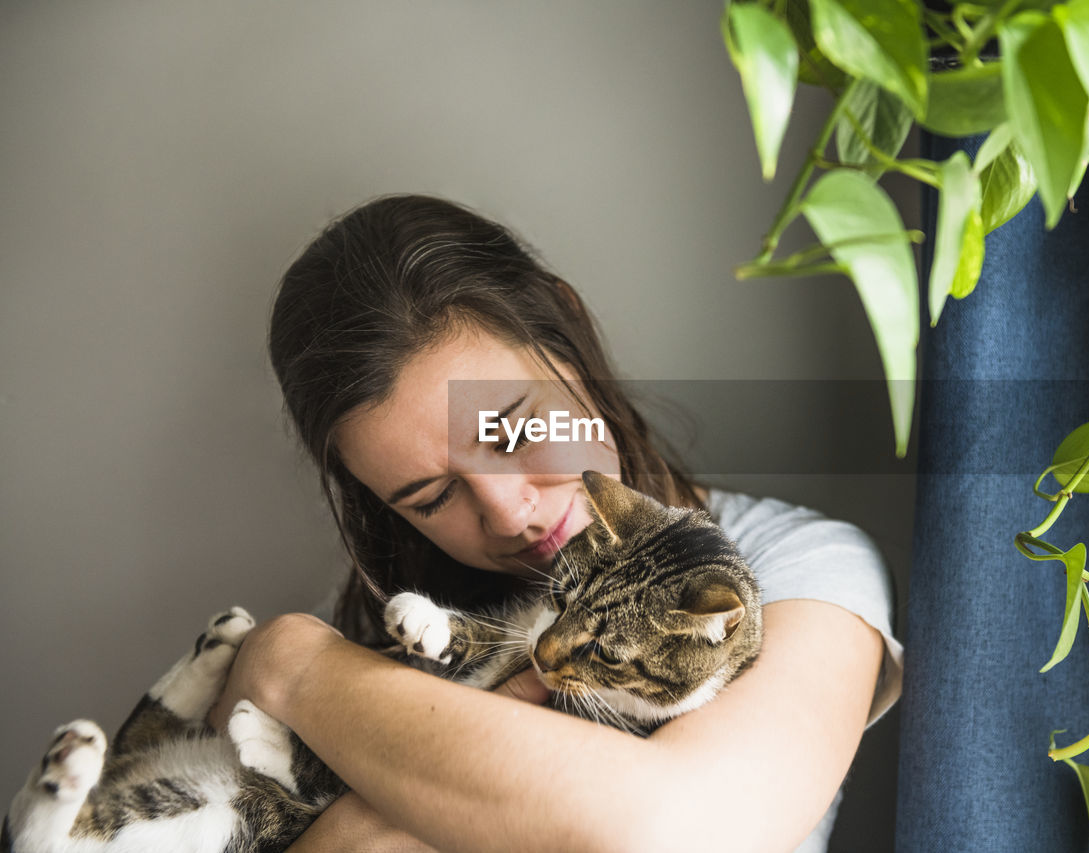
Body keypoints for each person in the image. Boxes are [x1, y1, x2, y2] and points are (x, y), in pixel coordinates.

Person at [209, 194, 903, 852]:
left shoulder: (797, 566)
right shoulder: (375, 637)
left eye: (512, 430)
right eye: (431, 499)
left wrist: (295, 666)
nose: (511, 511)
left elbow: (678, 832)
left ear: (562, 333)